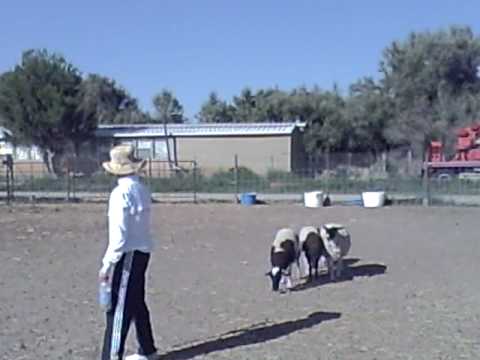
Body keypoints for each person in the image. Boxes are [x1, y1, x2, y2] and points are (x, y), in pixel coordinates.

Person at [99, 144, 159, 360]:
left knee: (119, 308)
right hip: (143, 250)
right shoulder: (142, 190)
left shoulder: (119, 194)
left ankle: (112, 355)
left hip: (127, 253)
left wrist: (107, 263)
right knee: (136, 301)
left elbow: (119, 234)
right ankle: (148, 348)